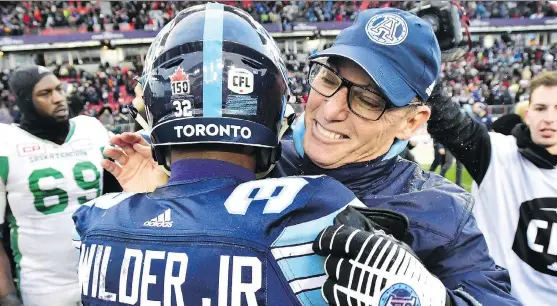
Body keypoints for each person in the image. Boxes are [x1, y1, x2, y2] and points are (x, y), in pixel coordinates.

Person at [103, 7, 520, 306]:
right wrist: (164, 193)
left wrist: (426, 298)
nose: (331, 108)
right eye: (328, 78)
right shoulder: (252, 157)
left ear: (413, 121)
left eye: (368, 99)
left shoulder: (440, 211)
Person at [427, 70, 557, 305]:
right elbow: (442, 116)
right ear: (528, 113)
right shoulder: (496, 153)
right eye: (541, 108)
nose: (549, 118)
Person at [0, 66, 121, 306]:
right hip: (43, 288)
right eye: (44, 93)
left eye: (58, 89)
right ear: (25, 101)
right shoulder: (6, 144)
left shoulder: (91, 129)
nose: (58, 98)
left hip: (104, 279)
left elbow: (121, 197)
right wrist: (7, 295)